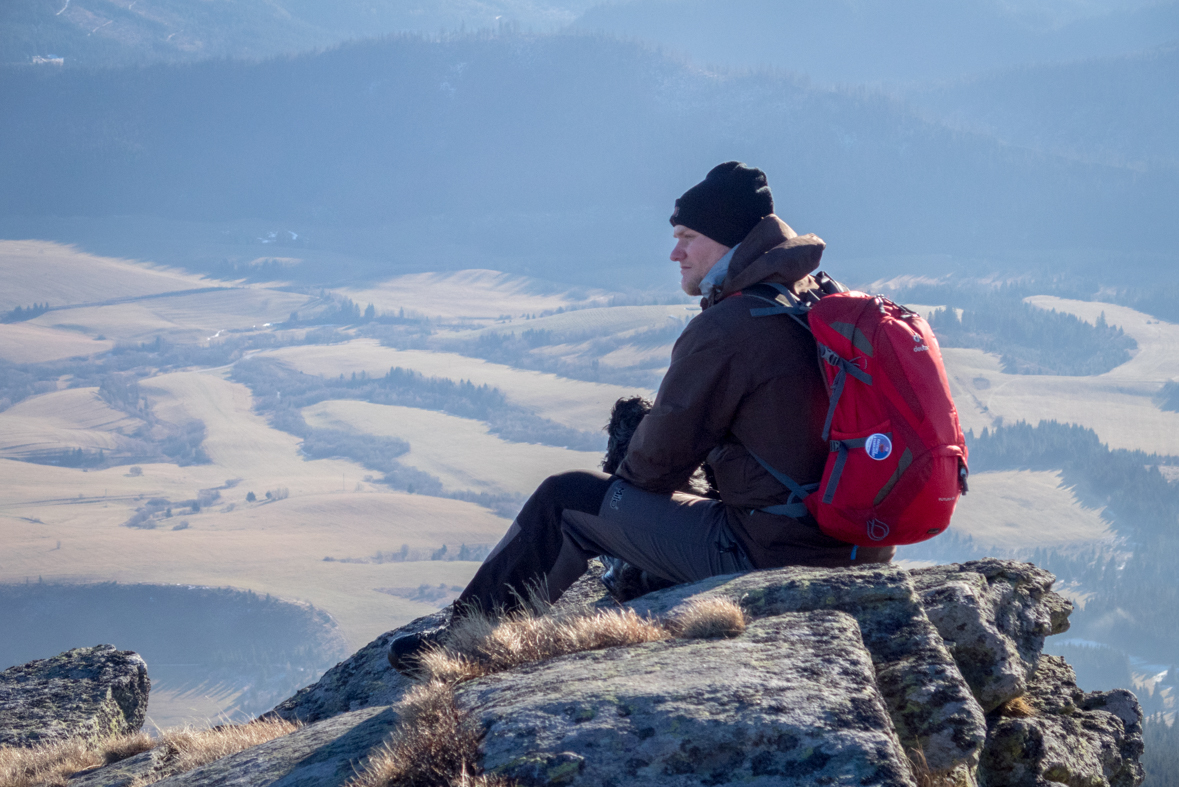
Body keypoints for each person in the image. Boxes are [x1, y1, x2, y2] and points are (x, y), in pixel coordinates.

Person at [387, 161, 894, 671]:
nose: (675, 252)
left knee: (567, 498)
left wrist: (631, 481)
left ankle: (465, 638)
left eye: (687, 236)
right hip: (856, 541)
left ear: (726, 240)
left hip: (775, 550)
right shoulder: (812, 298)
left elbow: (653, 467)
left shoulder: (731, 326)